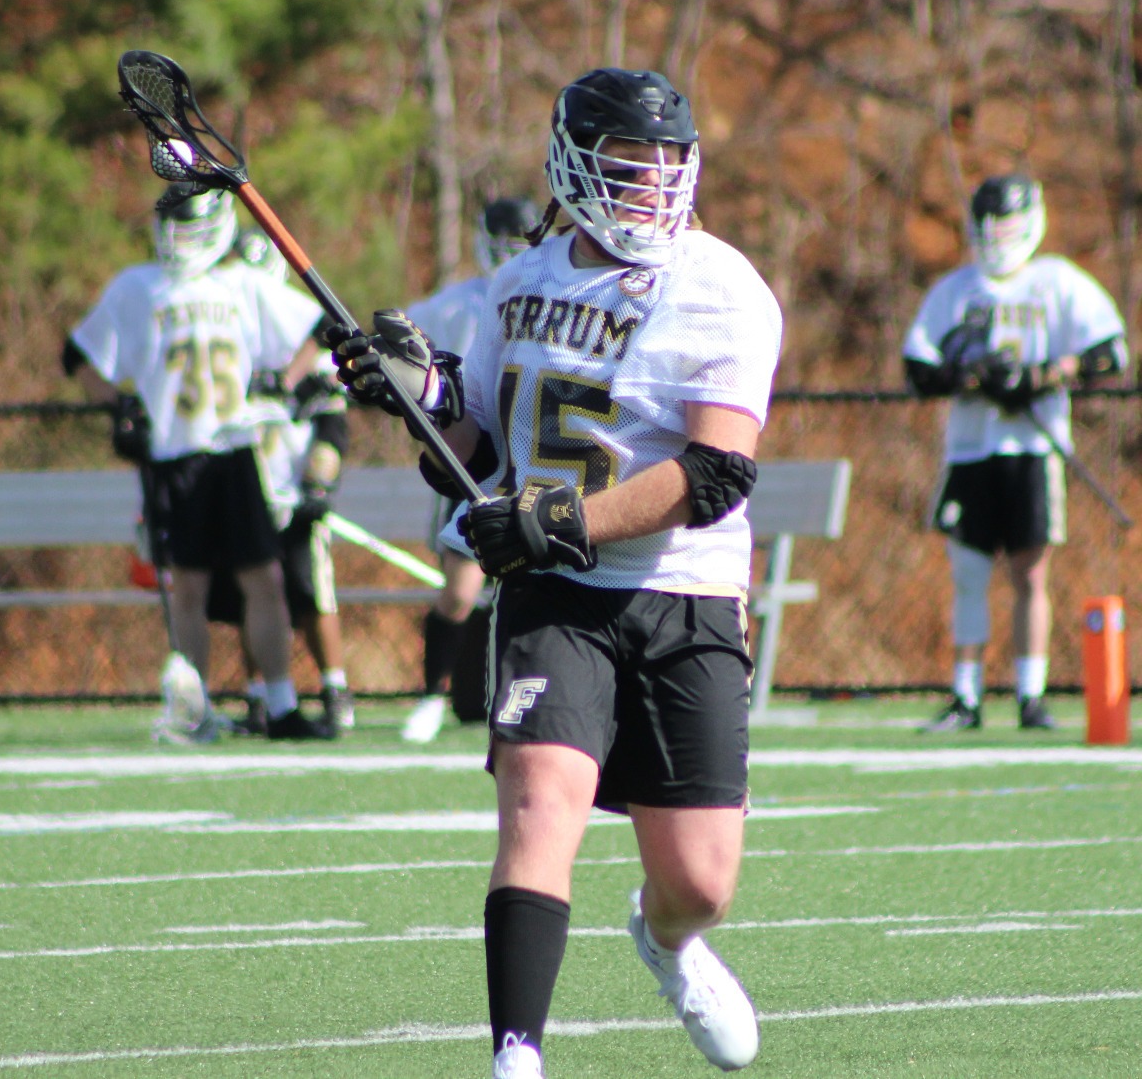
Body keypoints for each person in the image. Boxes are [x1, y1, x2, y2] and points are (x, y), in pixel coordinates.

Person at [329, 68, 779, 1078]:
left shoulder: (722, 288)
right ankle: (516, 1055)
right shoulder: (520, 281)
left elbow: (713, 473)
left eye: (666, 166)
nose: (652, 187)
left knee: (700, 883)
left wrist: (560, 519)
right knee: (540, 806)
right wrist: (414, 390)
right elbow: (477, 441)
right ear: (574, 165)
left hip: (681, 591)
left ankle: (664, 939)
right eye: (628, 169)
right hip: (556, 599)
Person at [65, 187, 319, 742]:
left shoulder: (242, 284)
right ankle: (195, 706)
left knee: (264, 581)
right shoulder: (138, 286)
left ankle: (279, 705)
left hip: (233, 448)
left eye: (189, 224)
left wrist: (285, 382)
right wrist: (120, 406)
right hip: (174, 456)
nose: (178, 237)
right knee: (190, 588)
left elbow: (317, 329)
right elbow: (78, 356)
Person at [902, 174, 1127, 732]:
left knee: (1031, 574)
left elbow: (1110, 353)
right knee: (969, 574)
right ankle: (966, 697)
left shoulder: (1057, 283)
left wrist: (1046, 375)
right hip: (973, 451)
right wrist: (968, 375)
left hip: (1033, 447)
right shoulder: (956, 290)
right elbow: (919, 366)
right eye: (990, 224)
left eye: (1007, 223)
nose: (998, 236)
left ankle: (1031, 694)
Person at [398, 197, 543, 744]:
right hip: (474, 466)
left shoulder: (546, 291)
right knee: (460, 593)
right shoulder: (458, 304)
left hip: (538, 463)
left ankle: (519, 692)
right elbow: (407, 345)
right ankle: (432, 694)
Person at [206, 229, 350, 738]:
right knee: (250, 594)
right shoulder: (221, 343)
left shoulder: (306, 348)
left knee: (311, 591)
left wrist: (319, 482)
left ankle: (335, 689)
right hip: (248, 487)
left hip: (294, 489)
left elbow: (335, 419)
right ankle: (261, 695)